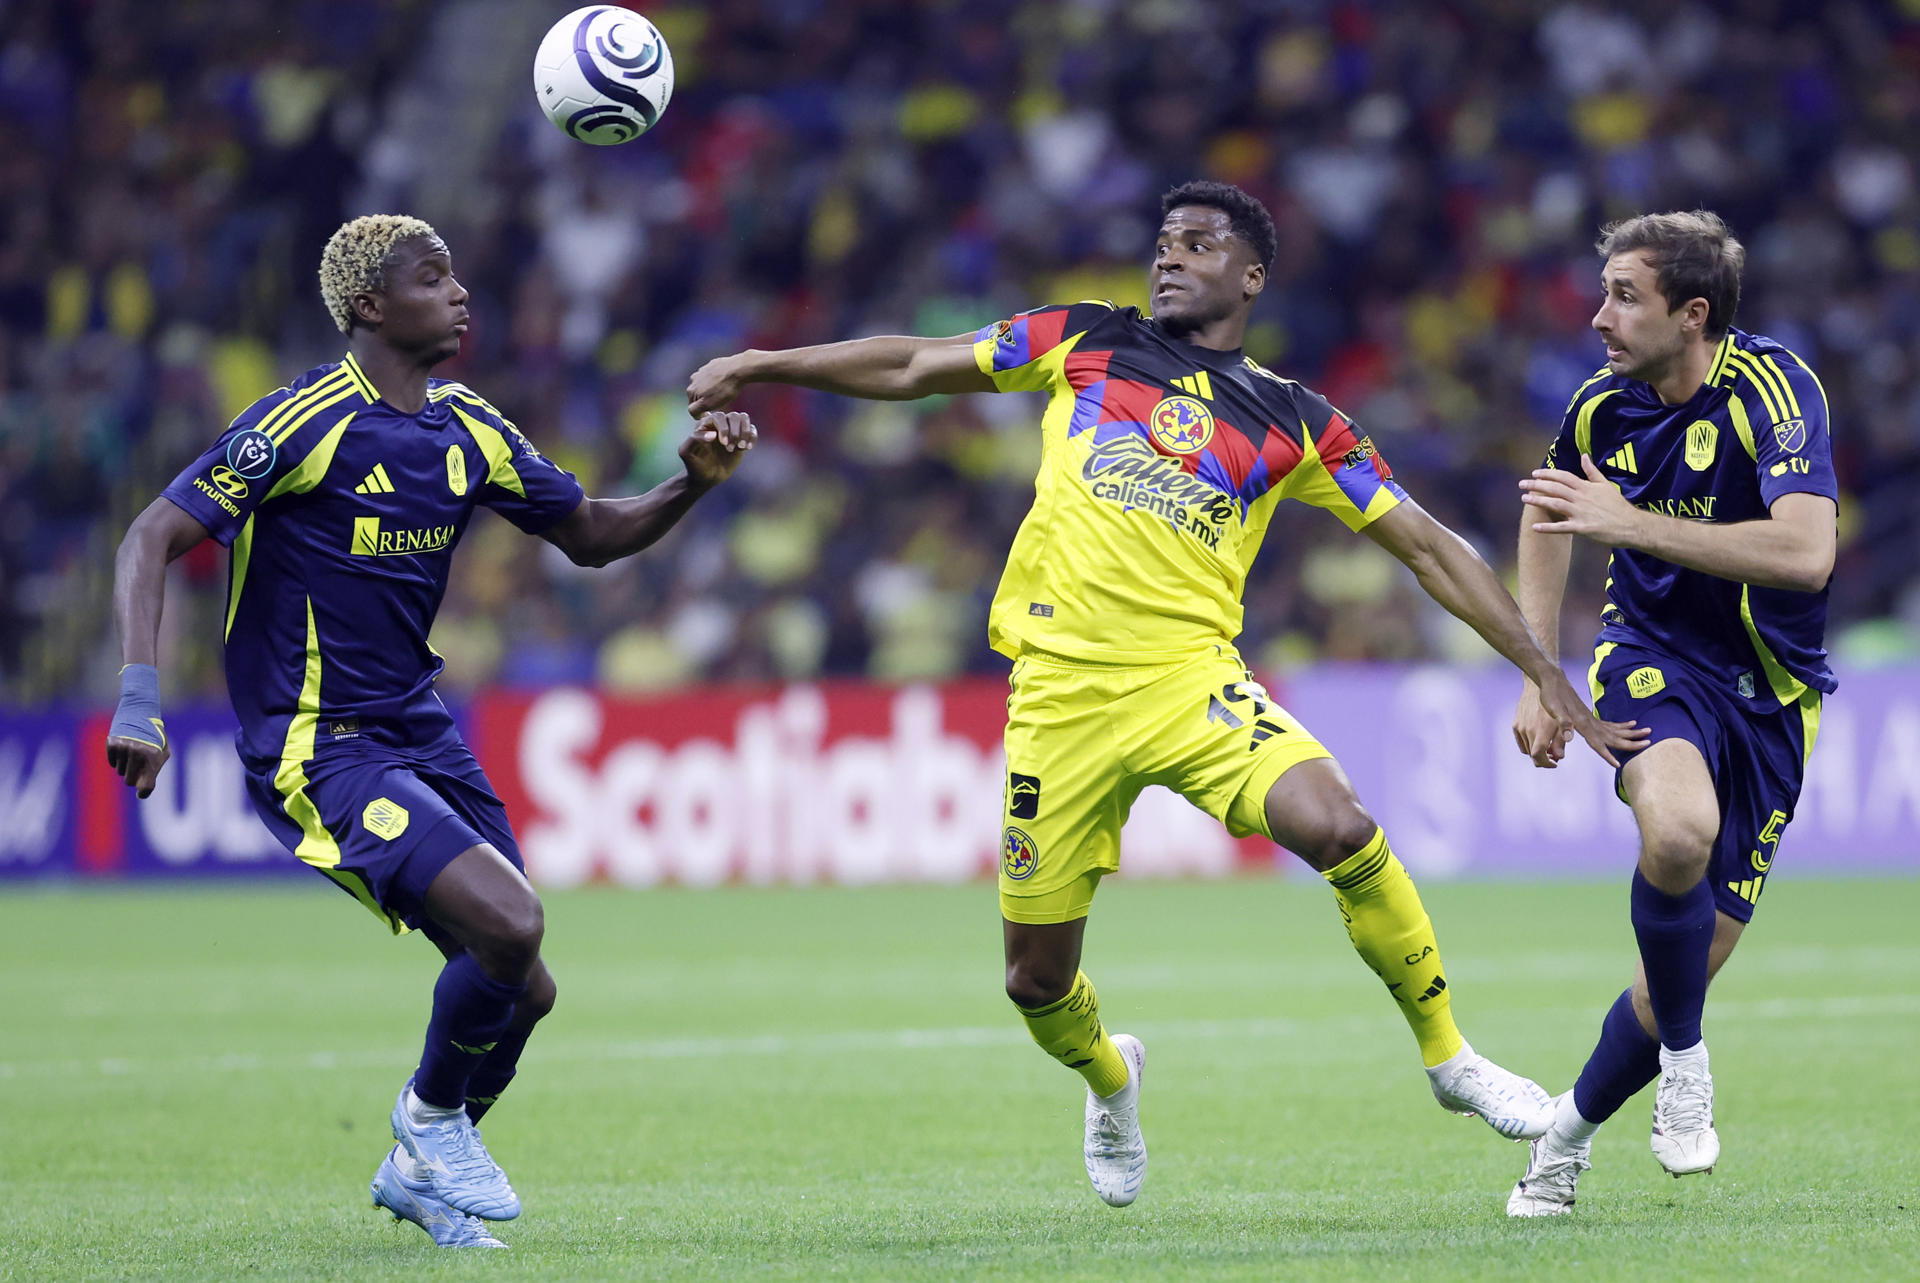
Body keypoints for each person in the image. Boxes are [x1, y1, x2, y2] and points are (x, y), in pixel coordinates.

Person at [689, 180, 1644, 1207]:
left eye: (1198, 243)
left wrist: (1543, 667)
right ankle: (1112, 1075)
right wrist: (765, 361)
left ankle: (1451, 1059)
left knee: (1341, 823)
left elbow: (1424, 544)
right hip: (1058, 695)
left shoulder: (1295, 419)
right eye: (1163, 241)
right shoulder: (1084, 340)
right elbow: (918, 363)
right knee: (1035, 982)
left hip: (1191, 682)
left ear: (1252, 275)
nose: (1171, 256)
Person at [105, 215, 756, 1248]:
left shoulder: (470, 428)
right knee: (512, 925)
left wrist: (691, 486)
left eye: (457, 274)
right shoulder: (302, 422)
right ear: (371, 304)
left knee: (525, 986)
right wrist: (139, 695)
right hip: (319, 741)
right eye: (432, 276)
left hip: (419, 729)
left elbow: (587, 533)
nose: (460, 293)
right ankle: (428, 1122)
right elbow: (152, 535)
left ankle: (419, 1170)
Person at [1506, 210, 1837, 1216]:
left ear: (1693, 314)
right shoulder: (1602, 408)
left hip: (1774, 693)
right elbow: (1546, 510)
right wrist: (1538, 672)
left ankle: (1562, 1138)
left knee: (1679, 971)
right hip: (1652, 657)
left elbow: (1804, 554)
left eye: (1624, 296)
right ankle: (1689, 1062)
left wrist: (1629, 521)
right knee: (1679, 828)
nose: (1599, 315)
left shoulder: (1776, 390)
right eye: (1604, 291)